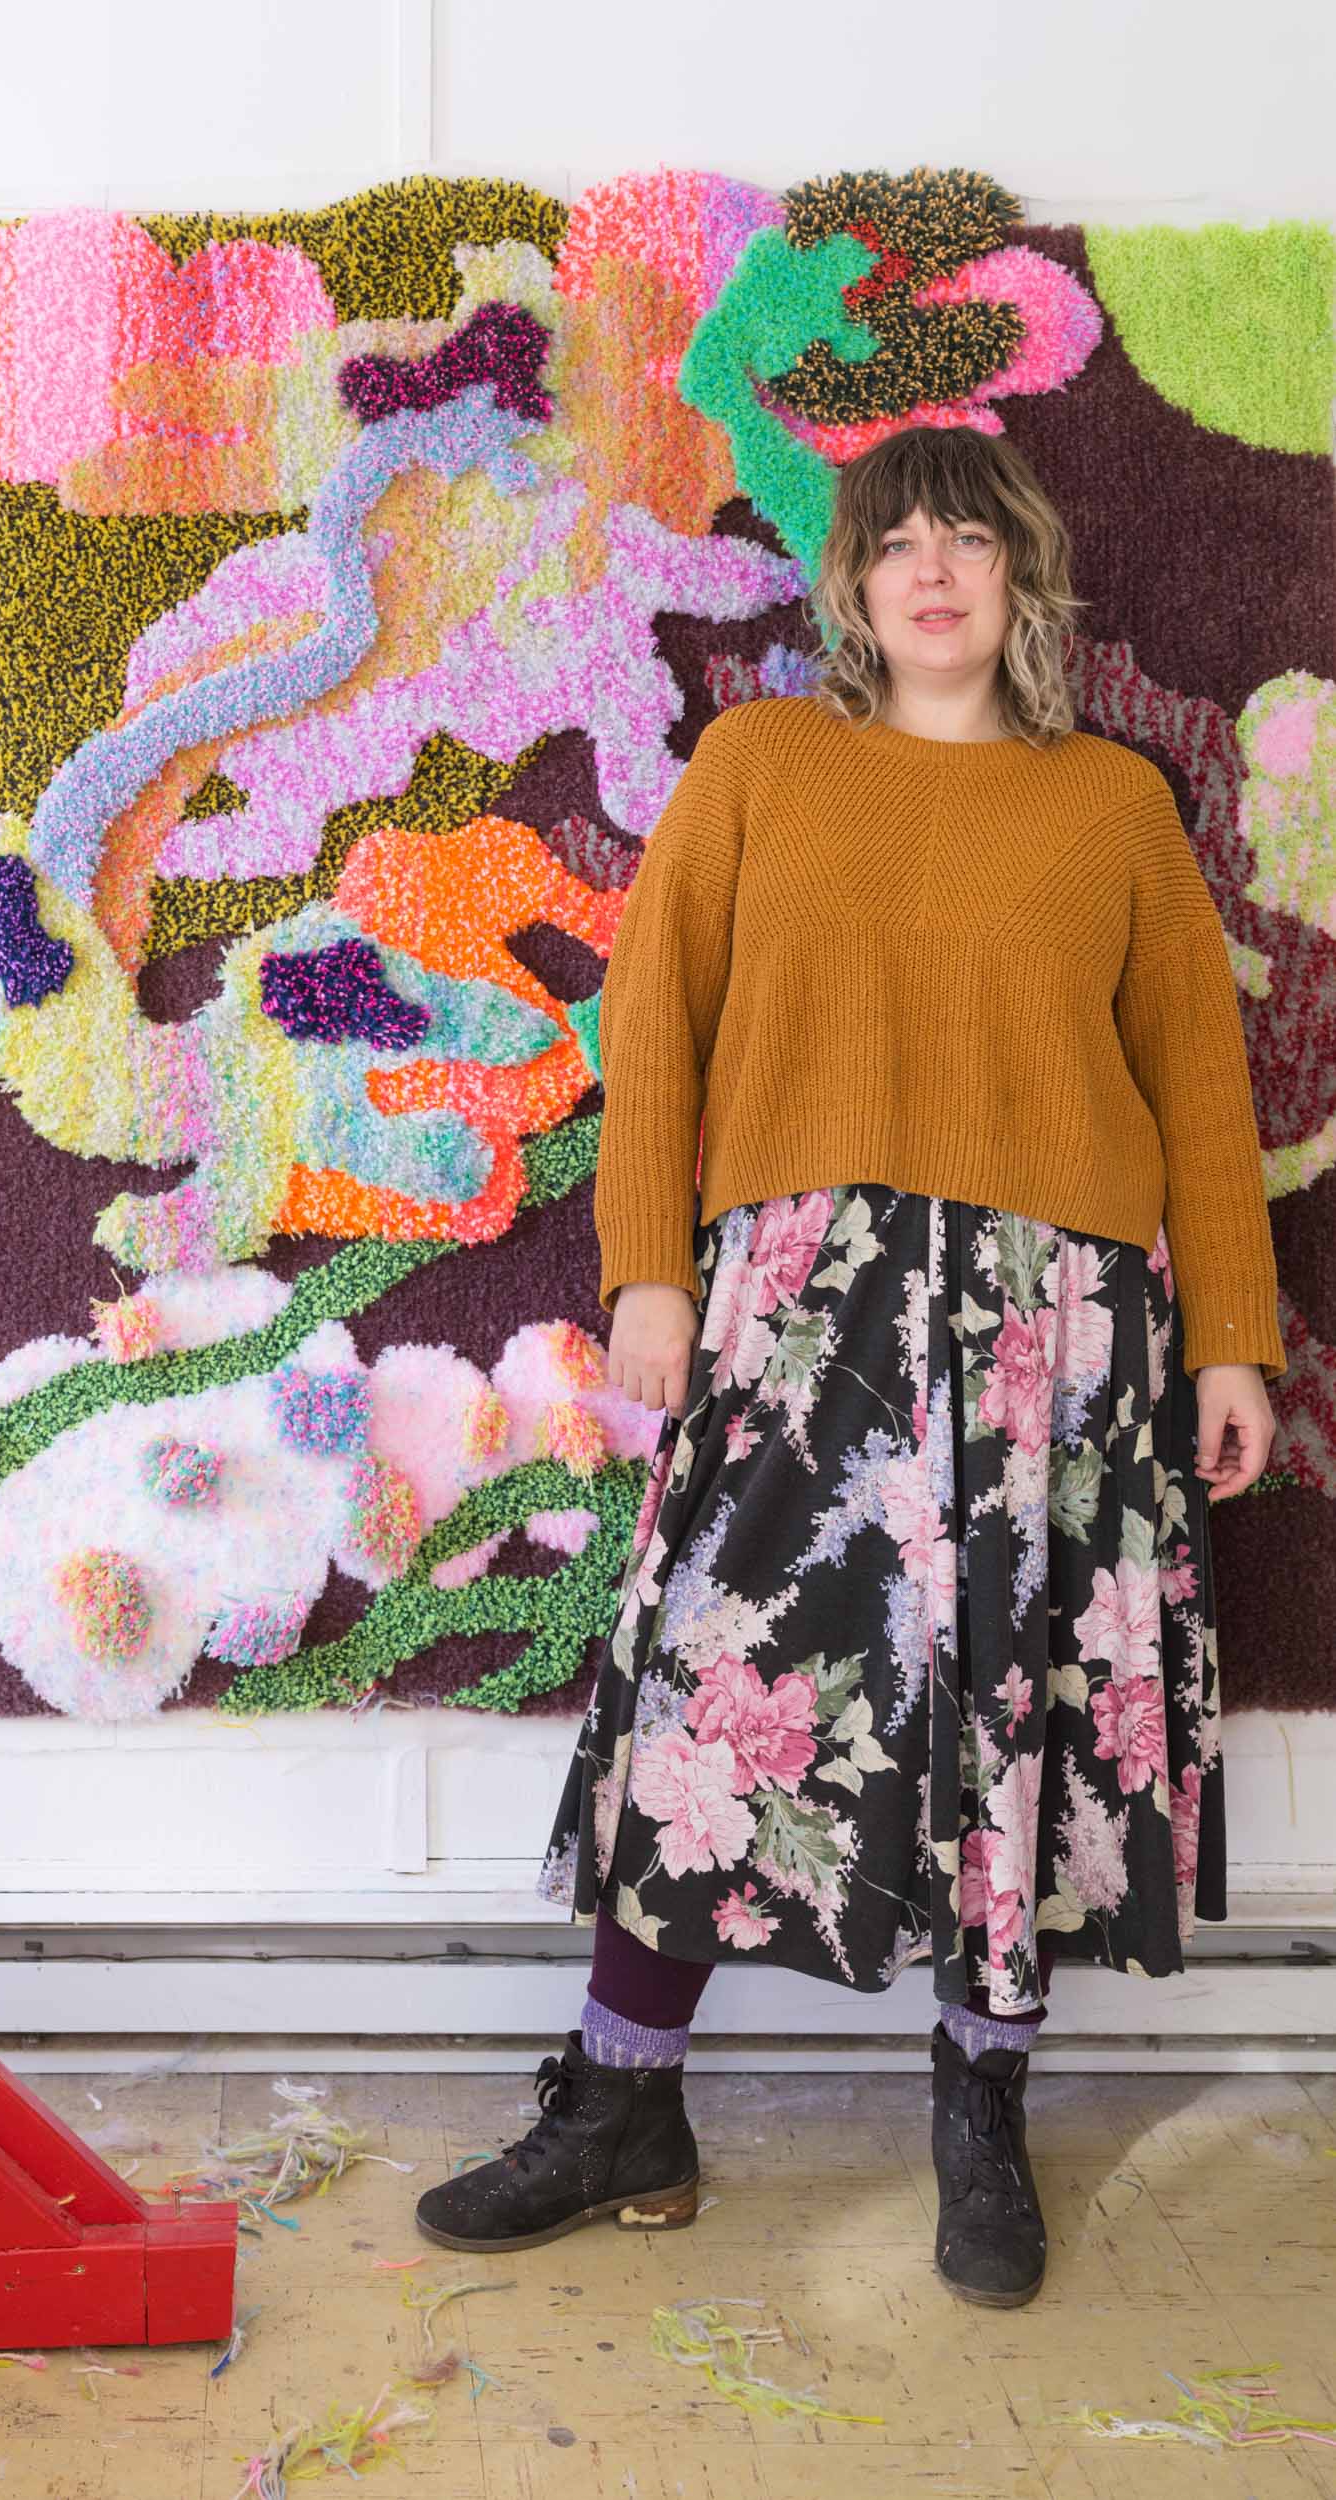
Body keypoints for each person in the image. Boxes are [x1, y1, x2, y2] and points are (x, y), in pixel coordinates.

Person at [414, 423, 1286, 2306]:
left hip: (1056, 1332)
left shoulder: (1109, 807)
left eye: (974, 540)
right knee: (713, 1688)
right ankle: (624, 2105)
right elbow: (652, 1030)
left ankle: (983, 2111)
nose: (940, 571)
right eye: (904, 544)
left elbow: (1200, 1091)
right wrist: (649, 1273)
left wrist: (1234, 1340)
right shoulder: (761, 767)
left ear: (1023, 578)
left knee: (1010, 1707)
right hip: (803, 1302)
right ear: (857, 584)